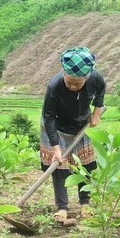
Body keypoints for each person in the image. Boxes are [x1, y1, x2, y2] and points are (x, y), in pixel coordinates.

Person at [40, 46, 106, 224]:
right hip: (57, 126)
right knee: (59, 168)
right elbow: (48, 117)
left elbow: (101, 91)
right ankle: (62, 207)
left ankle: (85, 204)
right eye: (69, 82)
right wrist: (56, 148)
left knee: (85, 166)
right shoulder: (54, 86)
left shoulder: (96, 78)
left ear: (87, 77)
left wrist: (96, 113)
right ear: (64, 74)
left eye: (77, 84)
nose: (72, 87)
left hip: (81, 125)